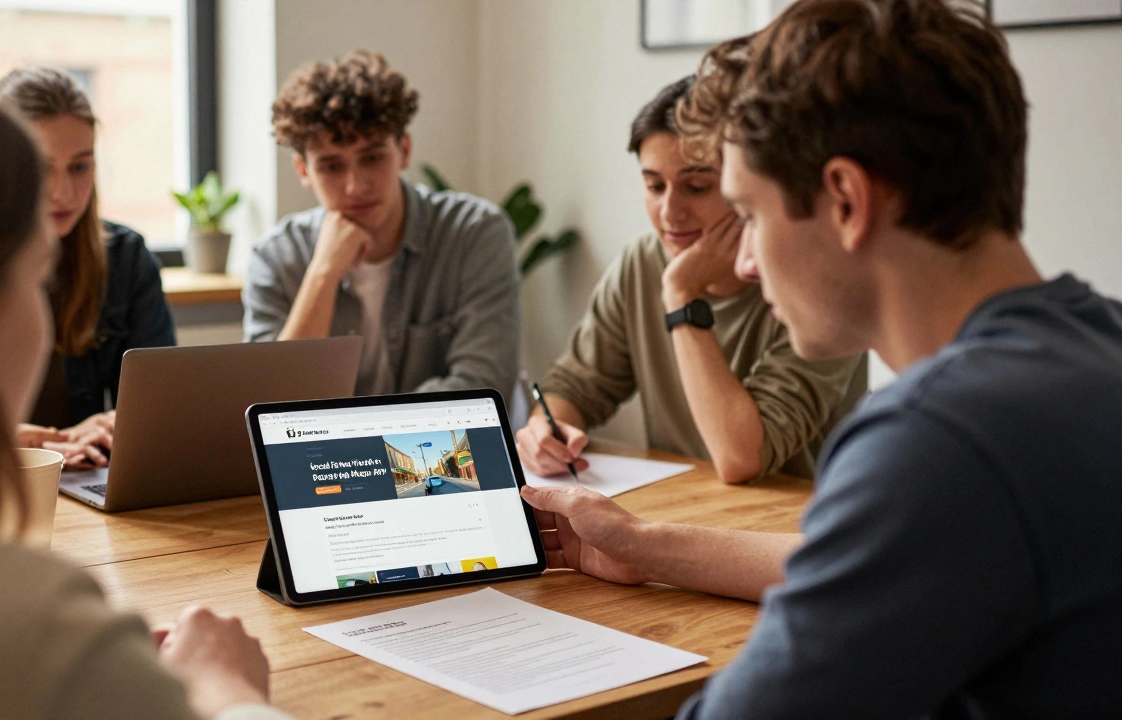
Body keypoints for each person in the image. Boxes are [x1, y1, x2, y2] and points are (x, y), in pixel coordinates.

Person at [522, 0, 1122, 717]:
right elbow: (852, 566)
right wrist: (640, 544)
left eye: (748, 214)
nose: (742, 259)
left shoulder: (940, 443)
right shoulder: (1095, 343)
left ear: (844, 198)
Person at [0, 64, 290, 720]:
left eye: (81, 165)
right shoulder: (28, 629)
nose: (63, 190)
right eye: (35, 276)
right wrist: (227, 689)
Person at [516, 74, 866, 484]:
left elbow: (741, 458)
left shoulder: (817, 282)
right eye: (654, 185)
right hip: (683, 515)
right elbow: (577, 386)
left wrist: (682, 295)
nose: (669, 212)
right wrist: (546, 431)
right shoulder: (641, 263)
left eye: (697, 186)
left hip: (794, 529)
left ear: (743, 181)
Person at [244, 50, 519, 397]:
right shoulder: (275, 256)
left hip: (437, 452)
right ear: (303, 171)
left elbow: (482, 386)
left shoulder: (474, 233)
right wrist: (323, 274)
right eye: (331, 166)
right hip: (325, 453)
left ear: (403, 150)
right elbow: (269, 402)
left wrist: (368, 444)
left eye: (372, 158)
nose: (356, 185)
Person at [0, 67, 176, 469]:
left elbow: (163, 405)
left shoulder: (124, 258)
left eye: (80, 166)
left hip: (85, 477)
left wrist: (115, 424)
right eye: (41, 169)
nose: (64, 193)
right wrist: (20, 442)